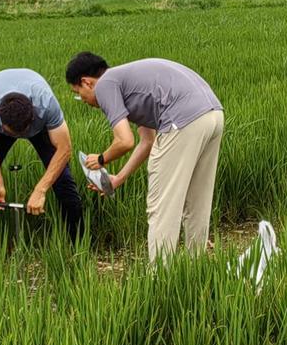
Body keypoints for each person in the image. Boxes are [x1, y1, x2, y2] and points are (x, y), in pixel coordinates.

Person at [66, 52, 223, 262]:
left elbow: (124, 141)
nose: (83, 100)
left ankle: (159, 275)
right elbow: (147, 141)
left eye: (78, 93)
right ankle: (196, 265)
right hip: (213, 115)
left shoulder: (105, 85)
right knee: (197, 201)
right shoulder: (128, 83)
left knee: (161, 205)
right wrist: (118, 178)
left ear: (87, 82)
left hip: (182, 119)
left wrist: (101, 159)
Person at [0, 68, 83, 254]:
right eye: (15, 134)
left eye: (23, 132)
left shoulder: (45, 104)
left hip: (39, 128)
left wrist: (40, 190)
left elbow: (64, 149)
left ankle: (79, 248)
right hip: (1, 128)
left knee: (64, 183)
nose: (21, 137)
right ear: (1, 122)